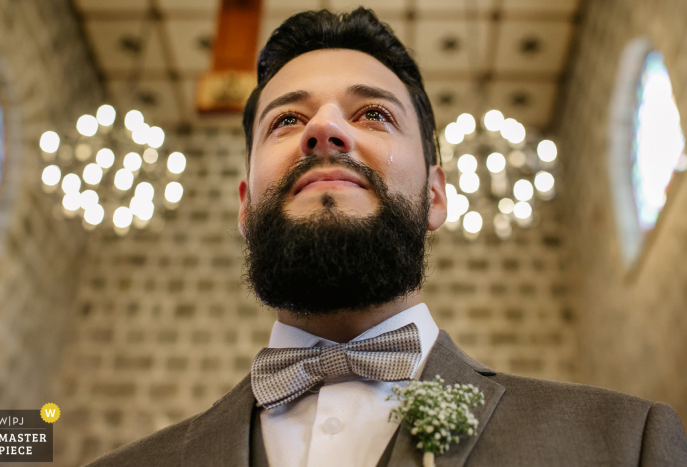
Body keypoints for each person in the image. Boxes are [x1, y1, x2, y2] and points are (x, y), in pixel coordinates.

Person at [86, 7, 687, 467]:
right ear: (245, 207)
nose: (323, 129)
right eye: (287, 120)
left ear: (435, 195)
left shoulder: (625, 444)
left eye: (373, 113)